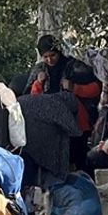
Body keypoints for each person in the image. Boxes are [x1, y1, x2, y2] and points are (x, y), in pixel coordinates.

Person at [25, 35, 101, 172]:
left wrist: (75, 88)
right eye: (45, 56)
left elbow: (95, 89)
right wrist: (38, 83)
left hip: (75, 121)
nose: (49, 60)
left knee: (79, 161)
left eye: (52, 55)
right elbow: (32, 99)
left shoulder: (74, 66)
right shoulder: (39, 70)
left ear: (59, 51)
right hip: (50, 124)